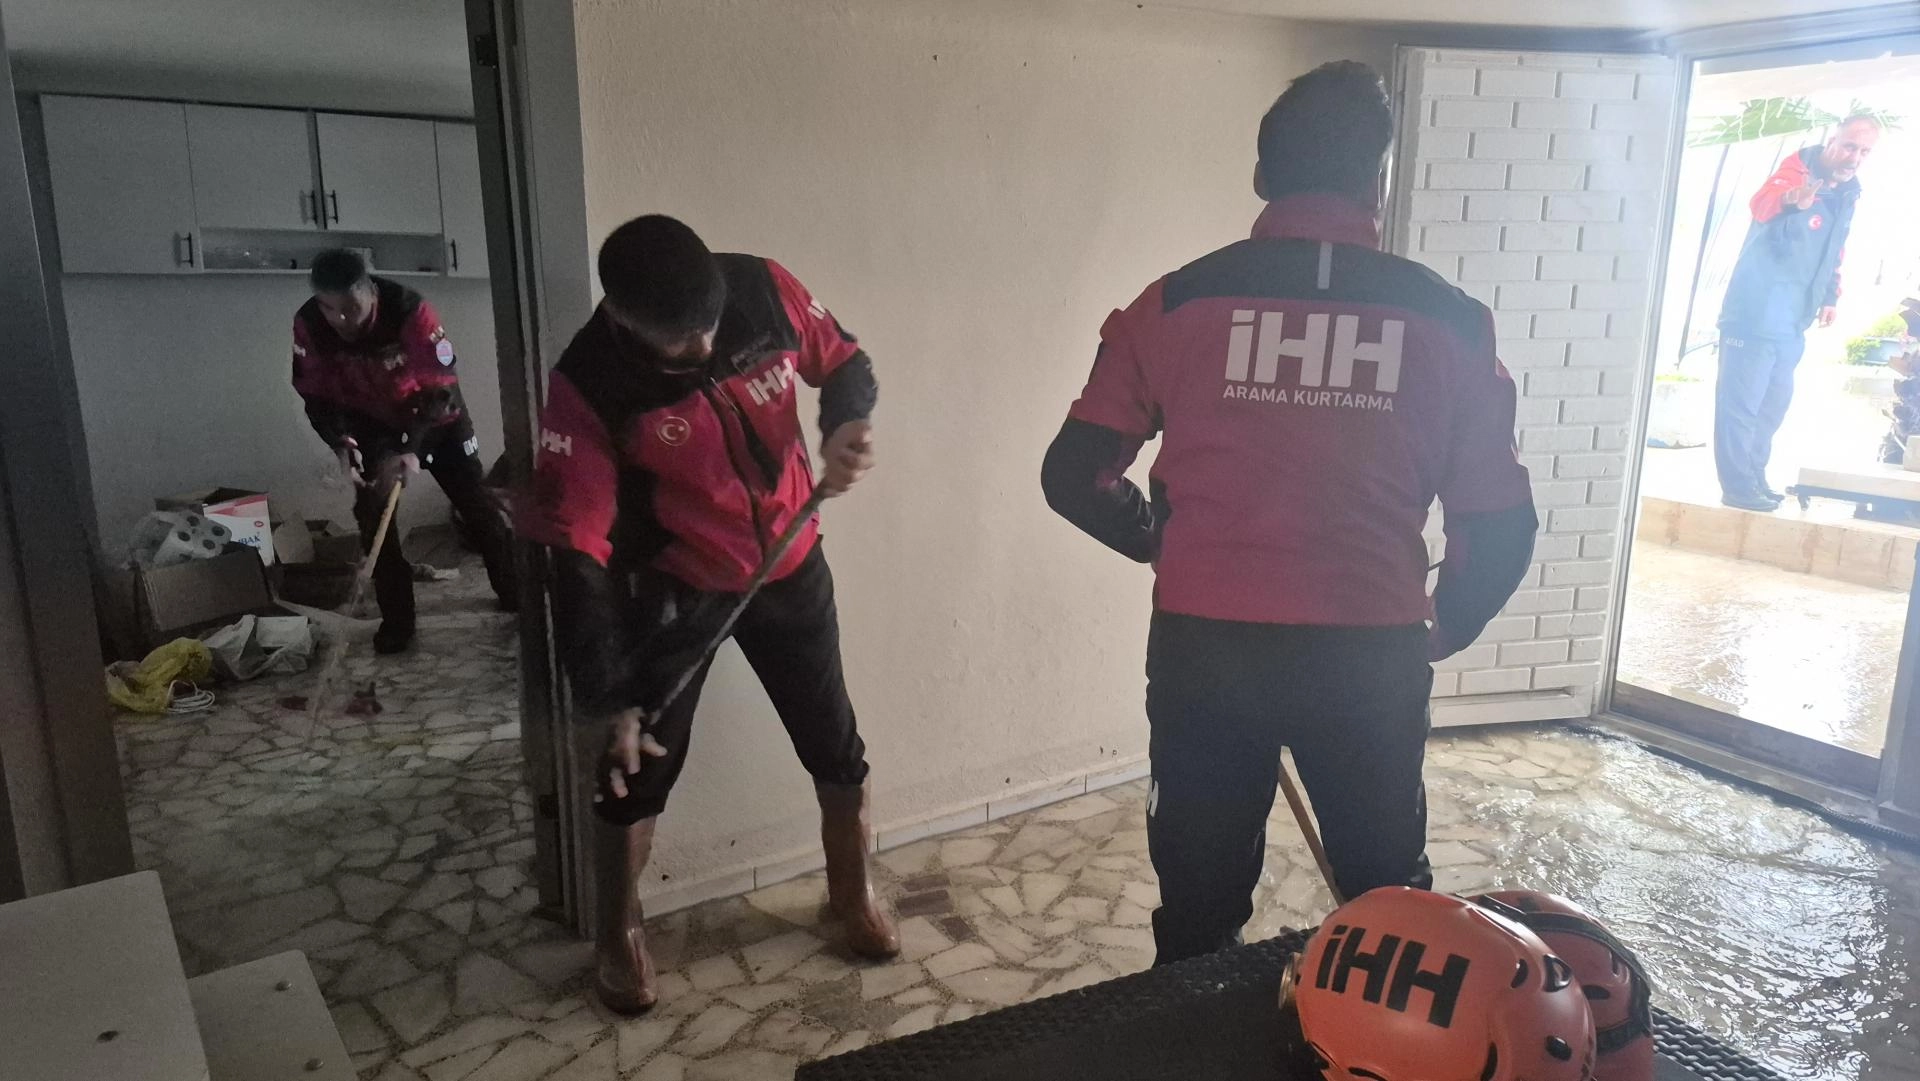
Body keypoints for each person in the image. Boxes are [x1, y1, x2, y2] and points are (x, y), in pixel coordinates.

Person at [1041, 61, 1537, 965]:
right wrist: (1446, 623)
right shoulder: (1452, 322)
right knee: (1390, 906)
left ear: (1263, 176)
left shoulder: (1176, 302)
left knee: (1198, 910)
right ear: (1376, 181)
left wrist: (1160, 540)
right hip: (1368, 653)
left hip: (1207, 651)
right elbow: (1500, 524)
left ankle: (1195, 1025)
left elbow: (1074, 473)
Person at [518, 215, 894, 1015]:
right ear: (622, 319)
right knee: (633, 768)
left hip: (791, 565)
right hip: (676, 589)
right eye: (683, 341)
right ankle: (618, 930)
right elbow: (575, 551)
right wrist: (607, 691)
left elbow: (845, 360)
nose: (705, 347)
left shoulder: (761, 286)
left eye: (712, 327)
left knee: (834, 736)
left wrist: (848, 424)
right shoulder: (586, 385)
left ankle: (851, 887)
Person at [291, 249, 518, 653]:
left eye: (351, 308)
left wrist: (410, 449)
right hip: (371, 425)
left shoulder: (410, 310)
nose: (341, 320)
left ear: (370, 292)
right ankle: (398, 621)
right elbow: (316, 397)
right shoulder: (309, 323)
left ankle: (515, 592)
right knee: (373, 518)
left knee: (478, 507)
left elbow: (440, 388)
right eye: (329, 309)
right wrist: (342, 445)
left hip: (437, 419)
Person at [1715, 115, 1880, 511]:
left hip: (1792, 321)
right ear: (1833, 139)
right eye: (1849, 146)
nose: (1854, 157)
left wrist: (1830, 296)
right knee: (1741, 408)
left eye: (1864, 151)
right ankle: (1737, 487)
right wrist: (1794, 199)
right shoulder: (1795, 171)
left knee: (1771, 407)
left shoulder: (1847, 193)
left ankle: (1755, 478)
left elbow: (1835, 247)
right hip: (1753, 316)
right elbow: (1762, 203)